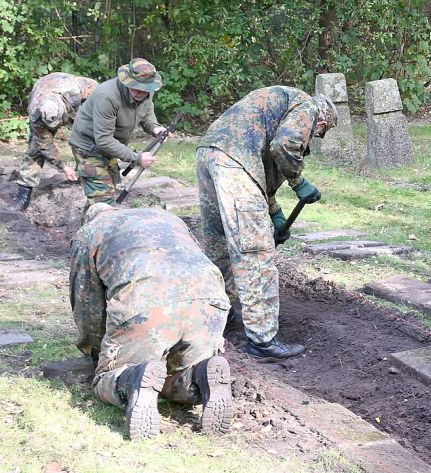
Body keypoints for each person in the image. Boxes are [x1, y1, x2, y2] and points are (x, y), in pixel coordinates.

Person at [70, 204, 233, 440]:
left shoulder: (90, 232)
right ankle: (200, 374)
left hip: (145, 303)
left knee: (107, 378)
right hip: (210, 300)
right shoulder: (168, 217)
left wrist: (97, 353)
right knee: (177, 374)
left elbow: (87, 306)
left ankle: (131, 378)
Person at [196, 86, 337, 360]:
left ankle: (216, 316)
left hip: (210, 153)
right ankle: (262, 341)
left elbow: (262, 170)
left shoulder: (275, 107)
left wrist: (273, 212)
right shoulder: (309, 107)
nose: (311, 140)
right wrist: (299, 182)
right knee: (256, 253)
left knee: (219, 245)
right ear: (321, 123)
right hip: (234, 162)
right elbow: (284, 145)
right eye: (317, 135)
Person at [68, 58, 166, 213]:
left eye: (145, 89)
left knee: (104, 195)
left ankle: (88, 230)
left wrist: (155, 128)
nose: (141, 92)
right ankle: (95, 234)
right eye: (136, 88)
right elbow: (103, 140)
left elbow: (147, 113)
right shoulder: (107, 96)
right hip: (89, 148)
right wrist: (137, 158)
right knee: (104, 202)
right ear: (127, 81)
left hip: (111, 147)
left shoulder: (147, 91)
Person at [11, 73, 98, 210]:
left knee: (87, 138)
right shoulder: (36, 114)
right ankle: (24, 195)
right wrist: (63, 167)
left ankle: (89, 174)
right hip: (42, 91)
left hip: (77, 106)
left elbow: (95, 89)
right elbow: (44, 145)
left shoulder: (76, 91)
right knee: (35, 150)